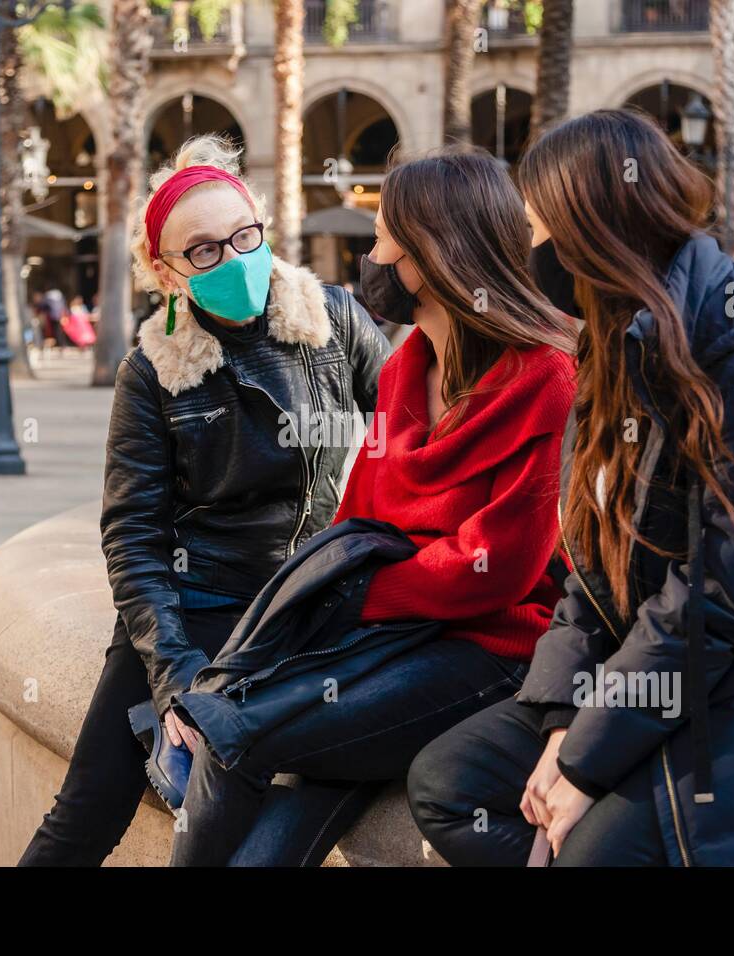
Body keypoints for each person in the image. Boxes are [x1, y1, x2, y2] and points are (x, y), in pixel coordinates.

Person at [407, 109, 734, 867]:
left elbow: (720, 599)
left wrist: (583, 762)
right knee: (446, 783)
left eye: (533, 230)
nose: (525, 255)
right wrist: (566, 716)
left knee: (590, 855)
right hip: (670, 686)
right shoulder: (611, 344)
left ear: (588, 230)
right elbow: (589, 578)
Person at [167, 148, 577, 866]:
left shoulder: (546, 376)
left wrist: (359, 591)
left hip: (493, 650)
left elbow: (500, 566)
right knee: (292, 762)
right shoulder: (406, 369)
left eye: (384, 236)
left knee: (237, 735)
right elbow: (359, 521)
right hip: (392, 643)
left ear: (431, 255)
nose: (372, 254)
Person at [18, 134, 390, 865]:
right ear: (167, 271)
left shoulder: (335, 321)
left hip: (305, 605)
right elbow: (132, 535)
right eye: (205, 251)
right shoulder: (150, 372)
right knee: (87, 811)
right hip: (197, 605)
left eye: (243, 236)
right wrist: (174, 672)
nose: (233, 258)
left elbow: (415, 430)